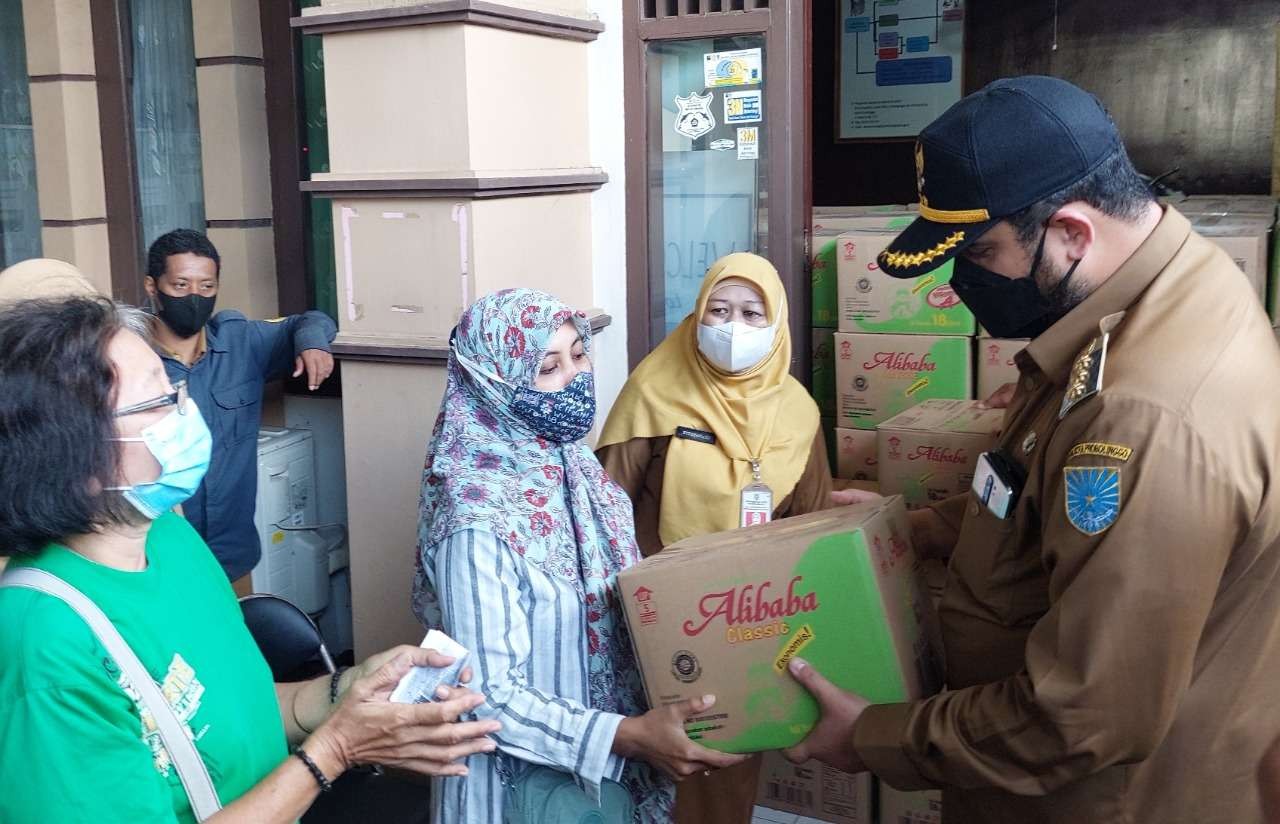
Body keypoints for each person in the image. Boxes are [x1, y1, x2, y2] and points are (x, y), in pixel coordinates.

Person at [784, 75, 1280, 823]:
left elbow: (1084, 716)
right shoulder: (1145, 295)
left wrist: (873, 735)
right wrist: (918, 525)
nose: (960, 283)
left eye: (980, 251)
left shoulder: (1144, 416)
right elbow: (1039, 493)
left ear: (1074, 232)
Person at [0, 296, 499, 822]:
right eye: (156, 403)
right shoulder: (43, 646)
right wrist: (335, 751)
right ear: (71, 457)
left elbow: (232, 718)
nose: (185, 412)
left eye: (175, 389)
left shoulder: (169, 538)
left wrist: (347, 691)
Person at [412, 288, 746, 824]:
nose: (575, 375)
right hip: (514, 794)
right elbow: (486, 695)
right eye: (548, 366)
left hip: (600, 784)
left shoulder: (577, 472)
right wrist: (627, 735)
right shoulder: (475, 517)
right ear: (494, 385)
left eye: (579, 354)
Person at [595, 252, 831, 823]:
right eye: (719, 310)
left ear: (776, 327)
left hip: (746, 618)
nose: (733, 327)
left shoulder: (798, 412)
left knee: (719, 764)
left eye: (753, 314)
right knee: (644, 758)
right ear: (697, 314)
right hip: (652, 615)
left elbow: (814, 519)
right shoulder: (653, 392)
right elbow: (601, 511)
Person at [144, 229, 338, 585]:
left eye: (206, 287)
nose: (194, 297)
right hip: (154, 559)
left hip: (230, 556)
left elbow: (311, 320)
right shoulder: (129, 359)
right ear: (152, 287)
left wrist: (313, 345)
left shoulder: (241, 343)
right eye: (180, 285)